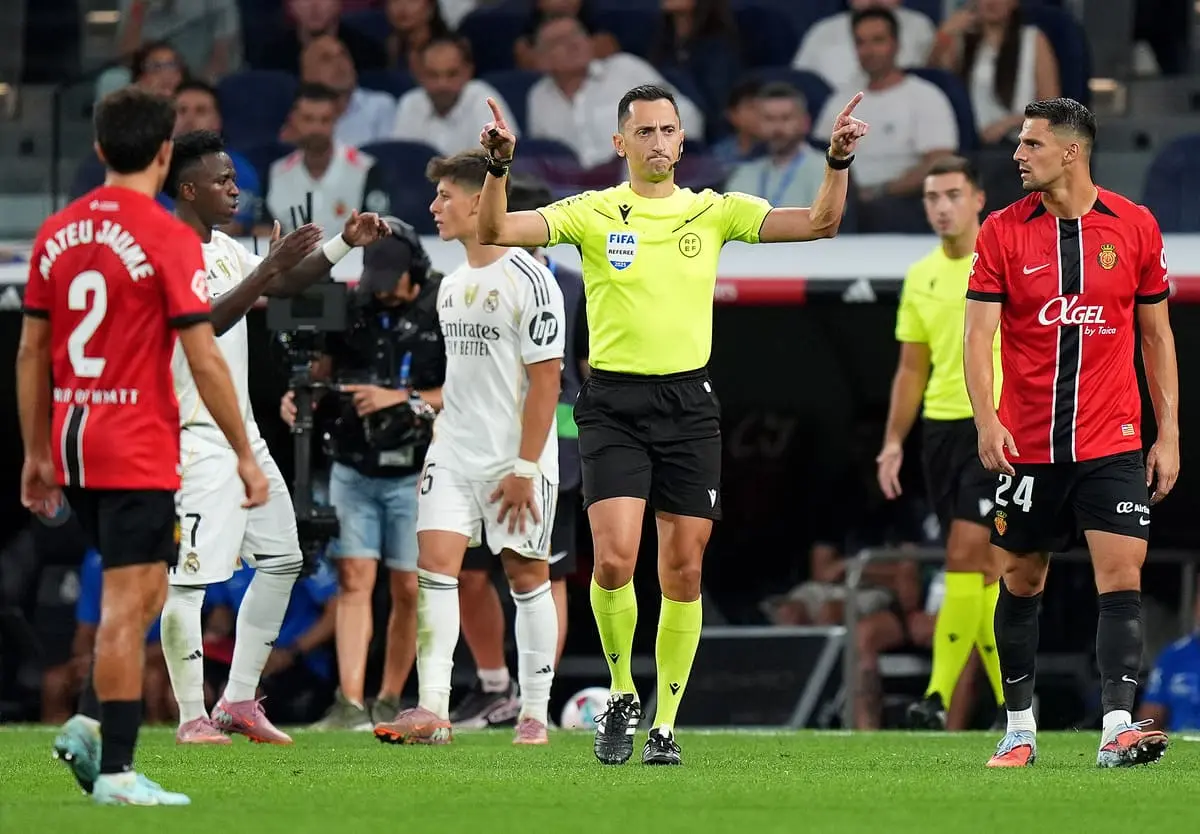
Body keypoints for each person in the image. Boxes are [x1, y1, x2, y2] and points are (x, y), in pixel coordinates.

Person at [476, 84, 867, 765]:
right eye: (645, 131)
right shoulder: (594, 211)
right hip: (615, 405)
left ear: (683, 141)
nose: (658, 142)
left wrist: (835, 160)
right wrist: (497, 170)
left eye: (668, 131)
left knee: (684, 571)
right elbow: (495, 230)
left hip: (689, 406)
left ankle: (664, 726)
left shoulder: (713, 211)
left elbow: (819, 225)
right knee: (617, 559)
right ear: (619, 143)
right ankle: (623, 695)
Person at [17, 87, 269, 806]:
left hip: (75, 438)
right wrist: (245, 454)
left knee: (149, 589)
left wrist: (36, 451)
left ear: (98, 149)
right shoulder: (164, 237)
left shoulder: (57, 231)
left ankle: (92, 723)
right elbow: (206, 355)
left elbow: (31, 350)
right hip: (136, 441)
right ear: (165, 155)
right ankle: (117, 770)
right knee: (131, 608)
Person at [964, 97, 1180, 768]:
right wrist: (987, 418)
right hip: (1027, 444)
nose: (1017, 154)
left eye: (1030, 144)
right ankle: (1020, 729)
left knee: (1123, 578)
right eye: (1020, 143)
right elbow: (977, 334)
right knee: (1022, 581)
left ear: (1070, 152)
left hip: (1113, 440)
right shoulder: (1002, 230)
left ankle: (1117, 726)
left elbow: (1157, 336)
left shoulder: (1135, 225)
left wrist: (1167, 432)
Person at [160, 129, 389, 745]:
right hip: (193, 436)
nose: (237, 190)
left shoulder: (226, 249)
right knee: (189, 580)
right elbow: (203, 324)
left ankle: (236, 701)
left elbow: (284, 285)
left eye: (236, 179)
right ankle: (189, 718)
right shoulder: (168, 250)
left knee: (284, 559)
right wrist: (266, 268)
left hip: (240, 435)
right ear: (188, 189)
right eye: (222, 181)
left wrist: (345, 241)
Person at [372, 149, 565, 746]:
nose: (434, 207)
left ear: (480, 201)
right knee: (434, 568)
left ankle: (534, 710)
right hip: (453, 452)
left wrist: (525, 468)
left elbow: (547, 382)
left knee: (525, 574)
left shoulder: (532, 278)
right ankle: (432, 710)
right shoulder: (451, 284)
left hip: (516, 460)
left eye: (445, 196)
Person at [452, 174, 589, 729]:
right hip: (479, 444)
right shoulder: (467, 279)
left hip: (555, 449)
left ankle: (536, 698)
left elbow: (584, 373)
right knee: (467, 571)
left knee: (545, 574)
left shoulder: (576, 285)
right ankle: (492, 687)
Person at [876, 155, 1006, 729]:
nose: (942, 207)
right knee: (984, 572)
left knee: (964, 554)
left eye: (953, 194)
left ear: (979, 199)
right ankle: (1014, 700)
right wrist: (893, 442)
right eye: (932, 197)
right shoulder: (921, 275)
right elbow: (911, 369)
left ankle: (934, 693)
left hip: (997, 426)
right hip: (939, 431)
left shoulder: (1004, 262)